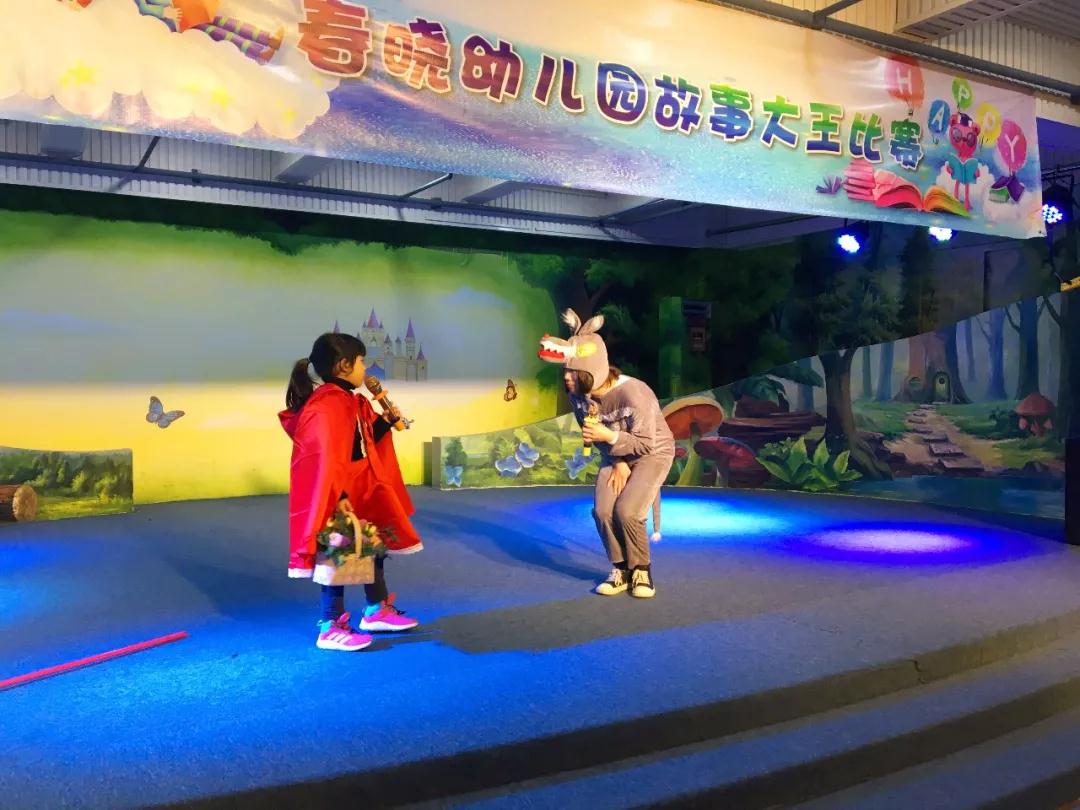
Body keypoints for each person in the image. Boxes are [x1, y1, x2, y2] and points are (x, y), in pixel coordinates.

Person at [279, 333, 423, 651]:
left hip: (362, 487)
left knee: (372, 545)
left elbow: (361, 441)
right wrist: (338, 495)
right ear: (344, 365)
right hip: (341, 493)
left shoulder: (351, 400)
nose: (365, 368)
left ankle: (376, 609)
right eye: (361, 361)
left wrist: (385, 423)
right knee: (340, 553)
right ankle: (330, 625)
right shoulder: (327, 404)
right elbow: (323, 456)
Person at [560, 310, 674, 599]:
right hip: (615, 454)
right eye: (566, 371)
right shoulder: (577, 396)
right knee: (602, 511)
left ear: (591, 370)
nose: (567, 378)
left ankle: (641, 570)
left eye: (573, 373)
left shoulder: (634, 393)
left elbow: (645, 443)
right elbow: (592, 434)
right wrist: (618, 461)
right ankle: (621, 568)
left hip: (653, 452)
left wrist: (610, 437)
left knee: (627, 511)